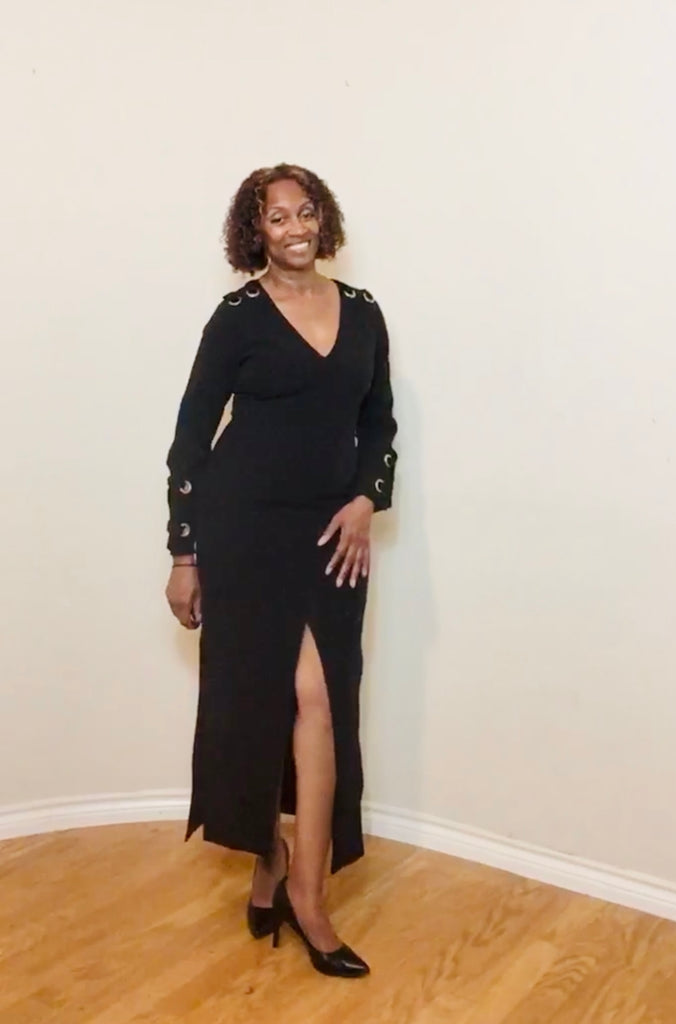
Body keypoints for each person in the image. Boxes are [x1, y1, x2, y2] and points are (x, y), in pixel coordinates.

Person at [164, 164, 397, 978]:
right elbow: (190, 441)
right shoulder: (237, 318)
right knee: (258, 704)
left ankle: (304, 891)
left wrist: (367, 499)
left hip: (333, 535)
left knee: (324, 702)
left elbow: (379, 423)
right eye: (276, 217)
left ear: (321, 219)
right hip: (243, 531)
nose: (294, 228)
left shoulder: (363, 312)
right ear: (254, 231)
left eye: (305, 212)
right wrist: (184, 553)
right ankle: (274, 859)